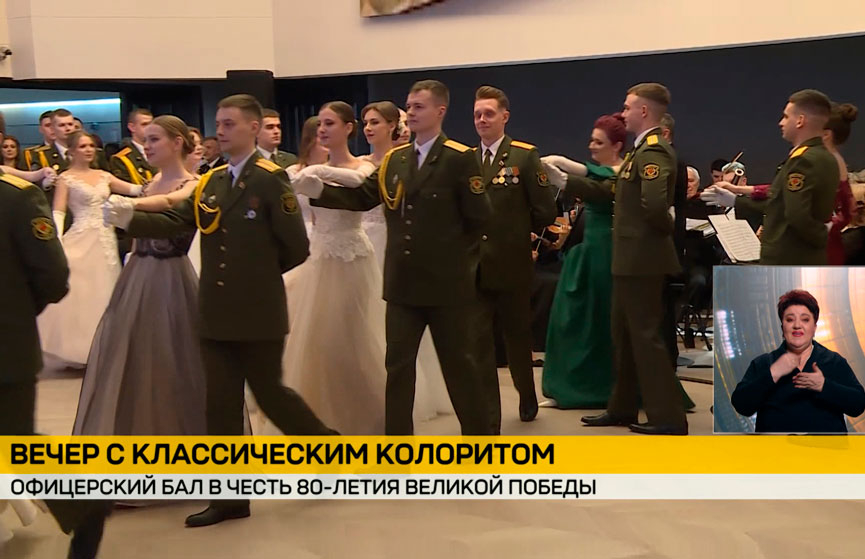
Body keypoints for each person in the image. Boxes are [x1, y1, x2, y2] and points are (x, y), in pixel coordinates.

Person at [103, 94, 336, 528]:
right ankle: (229, 497)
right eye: (219, 123)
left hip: (257, 307)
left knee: (270, 393)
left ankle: (328, 451)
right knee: (221, 404)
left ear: (253, 128)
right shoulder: (212, 181)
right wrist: (128, 219)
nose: (221, 131)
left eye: (230, 124)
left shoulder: (269, 180)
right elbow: (180, 222)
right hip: (213, 307)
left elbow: (296, 247)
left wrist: (255, 278)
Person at [293, 79, 493, 435]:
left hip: (446, 285)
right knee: (398, 366)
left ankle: (479, 440)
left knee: (459, 365)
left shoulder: (458, 158)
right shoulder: (396, 160)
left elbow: (479, 218)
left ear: (440, 111)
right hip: (402, 282)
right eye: (409, 106)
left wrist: (456, 266)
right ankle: (398, 442)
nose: (411, 113)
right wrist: (319, 190)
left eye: (419, 106)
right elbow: (363, 198)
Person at [546, 83, 689, 435]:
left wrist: (661, 229)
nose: (623, 113)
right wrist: (567, 181)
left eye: (627, 108)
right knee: (623, 336)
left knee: (645, 337)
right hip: (629, 257)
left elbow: (654, 206)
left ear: (644, 111)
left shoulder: (653, 151)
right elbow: (611, 190)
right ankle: (622, 407)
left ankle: (668, 417)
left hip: (642, 258)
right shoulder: (640, 152)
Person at [0, 169, 110, 559]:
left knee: (14, 442)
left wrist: (14, 313)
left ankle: (84, 504)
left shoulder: (16, 198)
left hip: (5, 348)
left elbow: (53, 275)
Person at [74, 116, 206, 436]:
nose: (147, 146)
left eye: (154, 140)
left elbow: (170, 202)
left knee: (172, 357)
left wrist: (133, 205)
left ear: (177, 143)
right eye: (145, 140)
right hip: (138, 275)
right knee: (133, 356)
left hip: (171, 277)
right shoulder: (149, 182)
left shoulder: (191, 184)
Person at [471, 85, 557, 430]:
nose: (482, 120)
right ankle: (488, 412)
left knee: (516, 337)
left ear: (504, 117)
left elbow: (545, 209)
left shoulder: (523, 156)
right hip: (475, 265)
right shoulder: (466, 160)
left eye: (489, 114)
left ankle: (526, 394)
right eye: (477, 114)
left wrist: (523, 234)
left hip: (512, 263)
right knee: (479, 341)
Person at [37, 131, 143, 367]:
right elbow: (58, 211)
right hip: (81, 237)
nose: (88, 150)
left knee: (106, 288)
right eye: (83, 146)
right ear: (72, 151)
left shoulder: (104, 175)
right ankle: (82, 349)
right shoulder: (66, 178)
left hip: (105, 239)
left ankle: (106, 347)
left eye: (91, 146)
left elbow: (134, 190)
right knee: (83, 291)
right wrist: (56, 239)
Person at [540, 114, 624, 409]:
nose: (591, 146)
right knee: (572, 319)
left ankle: (600, 389)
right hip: (589, 249)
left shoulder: (622, 171)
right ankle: (567, 386)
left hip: (607, 251)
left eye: (599, 142)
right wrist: (561, 163)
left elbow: (601, 181)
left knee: (598, 320)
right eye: (591, 140)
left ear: (617, 146)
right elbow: (590, 171)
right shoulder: (601, 171)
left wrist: (564, 177)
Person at [702, 89, 839, 265]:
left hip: (788, 255)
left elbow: (795, 213)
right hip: (800, 255)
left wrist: (821, 236)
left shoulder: (803, 160)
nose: (781, 122)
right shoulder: (822, 156)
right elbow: (779, 201)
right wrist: (736, 200)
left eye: (786, 117)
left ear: (800, 121)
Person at [731, 289, 865, 433]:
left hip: (826, 447)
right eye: (790, 319)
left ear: (814, 327)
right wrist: (773, 373)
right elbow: (741, 405)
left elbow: (858, 405)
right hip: (775, 446)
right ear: (782, 327)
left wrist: (824, 386)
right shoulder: (763, 363)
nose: (797, 325)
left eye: (805, 319)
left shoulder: (834, 361)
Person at [360, 100, 402, 270]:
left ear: (391, 125)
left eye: (374, 122)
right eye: (366, 123)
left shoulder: (402, 161)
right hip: (362, 233)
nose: (368, 128)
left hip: (391, 234)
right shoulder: (359, 163)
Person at [822, 102, 857, 265]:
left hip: (824, 249)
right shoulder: (834, 160)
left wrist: (825, 228)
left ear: (826, 134)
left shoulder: (831, 162)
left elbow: (848, 210)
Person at [109, 108, 157, 185]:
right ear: (132, 127)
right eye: (144, 124)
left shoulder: (162, 151)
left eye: (151, 125)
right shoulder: (122, 159)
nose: (150, 128)